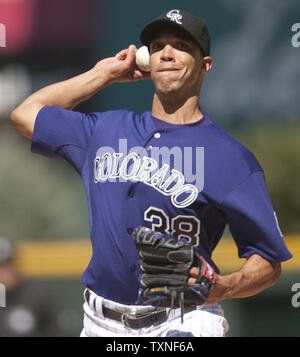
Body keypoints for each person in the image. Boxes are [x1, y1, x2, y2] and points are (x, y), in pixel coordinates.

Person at [10, 9, 292, 337]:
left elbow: (268, 262)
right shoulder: (105, 130)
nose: (167, 53)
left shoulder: (230, 158)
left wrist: (223, 287)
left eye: (181, 45)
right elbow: (24, 114)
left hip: (183, 320)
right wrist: (103, 75)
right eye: (158, 46)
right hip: (100, 323)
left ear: (205, 65)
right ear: (147, 60)